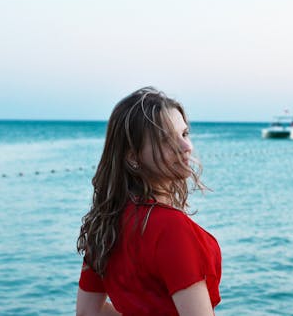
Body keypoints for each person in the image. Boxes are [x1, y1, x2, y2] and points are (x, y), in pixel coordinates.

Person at [76, 87, 222, 316]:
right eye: (166, 140)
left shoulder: (105, 224)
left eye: (184, 134)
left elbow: (87, 313)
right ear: (133, 157)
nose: (187, 147)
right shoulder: (172, 228)